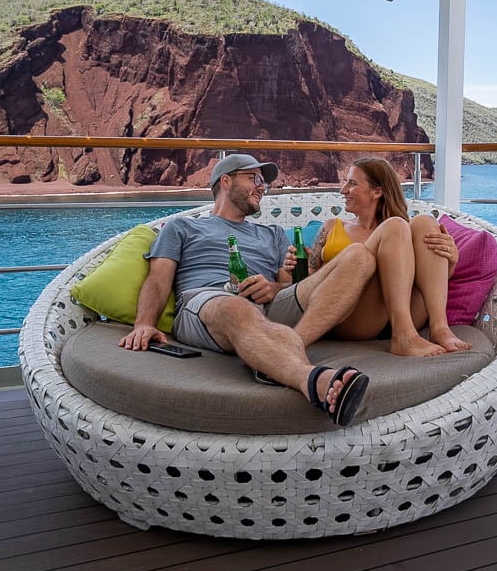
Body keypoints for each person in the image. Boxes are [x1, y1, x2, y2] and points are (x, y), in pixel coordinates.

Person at [118, 153, 376, 427]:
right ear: (226, 181)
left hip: (269, 306)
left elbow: (289, 286)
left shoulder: (273, 233)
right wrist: (143, 324)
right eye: (254, 178)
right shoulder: (183, 227)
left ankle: (274, 360)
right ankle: (313, 380)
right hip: (209, 303)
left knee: (359, 256)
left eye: (264, 182)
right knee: (235, 306)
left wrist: (275, 287)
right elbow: (158, 280)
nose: (262, 187)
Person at [308, 157, 472, 357]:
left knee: (424, 223)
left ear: (377, 191)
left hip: (409, 312)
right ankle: (403, 336)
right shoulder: (332, 226)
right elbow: (310, 280)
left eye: (352, 183)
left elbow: (429, 282)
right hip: (355, 316)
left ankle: (440, 328)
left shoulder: (404, 232)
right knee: (395, 226)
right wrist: (289, 271)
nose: (343, 190)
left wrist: (451, 260)